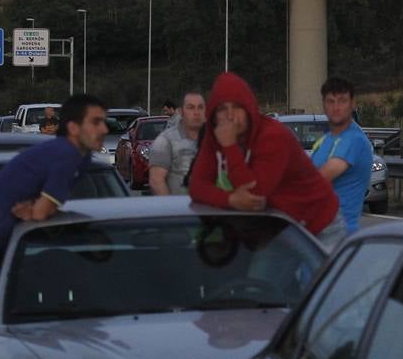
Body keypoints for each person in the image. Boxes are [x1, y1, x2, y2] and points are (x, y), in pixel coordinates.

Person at [0, 93, 108, 330]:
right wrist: (41, 209)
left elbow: (44, 211)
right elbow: (41, 215)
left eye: (104, 122)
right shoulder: (66, 155)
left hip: (6, 246)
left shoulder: (82, 157)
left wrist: (40, 208)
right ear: (73, 128)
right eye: (96, 122)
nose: (105, 129)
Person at [189, 71, 344, 248]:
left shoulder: (273, 136)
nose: (230, 116)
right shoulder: (214, 137)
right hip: (278, 227)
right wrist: (230, 200)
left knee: (326, 276)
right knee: (260, 276)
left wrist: (230, 146)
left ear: (249, 109)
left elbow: (254, 196)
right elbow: (197, 186)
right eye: (223, 109)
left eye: (237, 107)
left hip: (320, 224)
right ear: (214, 115)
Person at [310, 77, 373, 234]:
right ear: (324, 105)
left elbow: (317, 180)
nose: (336, 107)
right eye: (330, 101)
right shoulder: (324, 140)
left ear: (353, 104)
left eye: (342, 101)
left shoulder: (354, 139)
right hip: (316, 230)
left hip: (338, 235)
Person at [149, 90, 204, 195]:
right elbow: (156, 181)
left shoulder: (214, 138)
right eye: (191, 107)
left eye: (200, 107)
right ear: (182, 111)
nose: (196, 112)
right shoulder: (164, 141)